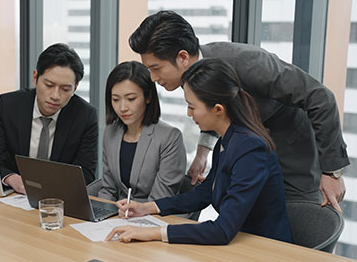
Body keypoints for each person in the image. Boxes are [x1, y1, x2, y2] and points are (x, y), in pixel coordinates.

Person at [129, 10, 349, 211]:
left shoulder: (248, 63)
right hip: (248, 159)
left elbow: (320, 97)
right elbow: (217, 109)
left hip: (291, 160)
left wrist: (332, 171)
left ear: (183, 57)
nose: (153, 78)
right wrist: (203, 152)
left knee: (296, 235)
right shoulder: (194, 76)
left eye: (155, 68)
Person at [105, 58, 293, 245]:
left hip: (265, 249)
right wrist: (147, 208)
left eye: (192, 106)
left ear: (218, 109)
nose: (189, 113)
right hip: (240, 242)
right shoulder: (227, 141)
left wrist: (153, 232)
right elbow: (204, 194)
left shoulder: (250, 149)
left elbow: (222, 230)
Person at [0, 43, 98, 194]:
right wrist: (12, 178)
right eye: (49, 85)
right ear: (35, 78)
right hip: (12, 196)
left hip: (59, 199)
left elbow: (86, 174)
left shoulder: (85, 116)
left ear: (75, 88)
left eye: (65, 89)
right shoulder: (8, 106)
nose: (55, 96)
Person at [98, 61, 186, 202]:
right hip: (117, 215)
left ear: (148, 97)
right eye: (115, 99)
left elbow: (161, 198)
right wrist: (100, 214)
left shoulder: (169, 137)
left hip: (153, 217)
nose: (122, 108)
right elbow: (108, 189)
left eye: (131, 99)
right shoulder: (111, 133)